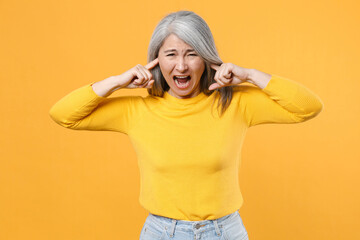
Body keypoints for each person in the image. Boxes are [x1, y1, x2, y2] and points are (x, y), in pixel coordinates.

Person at [49, 10, 323, 240]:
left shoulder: (234, 104)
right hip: (161, 232)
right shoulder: (138, 110)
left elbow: (308, 107)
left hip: (225, 232)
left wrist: (250, 75)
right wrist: (117, 81)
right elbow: (63, 114)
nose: (181, 66)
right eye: (170, 54)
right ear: (157, 60)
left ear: (205, 58)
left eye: (191, 54)